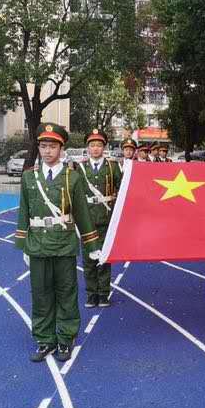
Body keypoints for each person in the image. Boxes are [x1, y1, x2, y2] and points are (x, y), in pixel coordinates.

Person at [15, 123, 102, 363]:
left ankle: (65, 338)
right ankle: (45, 339)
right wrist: (23, 245)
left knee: (66, 293)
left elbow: (82, 213)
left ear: (61, 149)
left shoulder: (72, 178)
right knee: (41, 294)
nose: (47, 151)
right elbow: (23, 211)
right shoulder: (28, 177)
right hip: (38, 245)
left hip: (64, 244)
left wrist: (92, 245)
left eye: (52, 146)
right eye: (43, 146)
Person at [79, 128, 122, 309]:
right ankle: (91, 294)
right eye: (92, 145)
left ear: (104, 147)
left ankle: (103, 294)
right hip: (87, 220)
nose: (95, 148)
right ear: (87, 148)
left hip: (106, 219)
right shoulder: (79, 168)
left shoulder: (112, 167)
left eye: (99, 145)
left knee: (104, 258)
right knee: (89, 259)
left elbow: (123, 188)